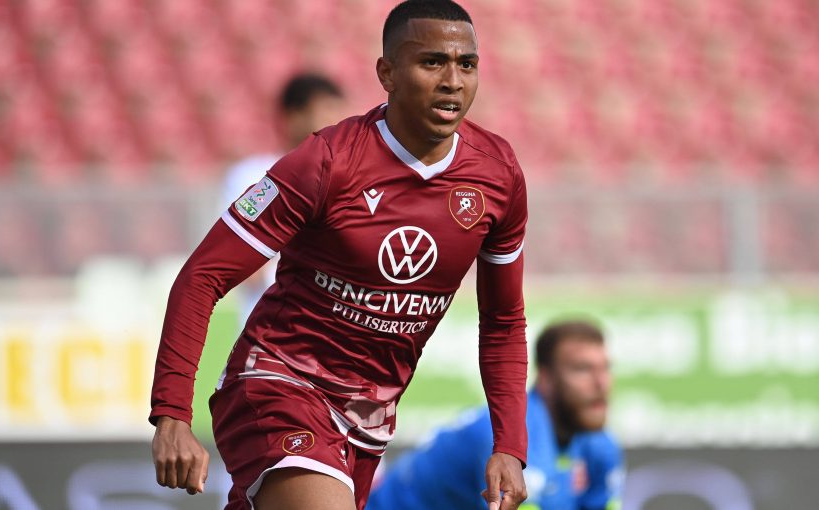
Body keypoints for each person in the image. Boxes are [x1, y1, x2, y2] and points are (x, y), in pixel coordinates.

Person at [149, 1, 529, 509]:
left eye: (467, 64)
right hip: (279, 383)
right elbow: (202, 275)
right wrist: (172, 413)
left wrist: (510, 445)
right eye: (432, 62)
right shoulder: (327, 161)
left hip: (368, 420)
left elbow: (503, 321)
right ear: (387, 73)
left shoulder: (497, 174)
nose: (453, 81)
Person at [367, 320, 625, 510]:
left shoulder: (601, 444)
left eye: (606, 368)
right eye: (582, 369)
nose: (602, 383)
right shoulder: (504, 440)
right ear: (545, 379)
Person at [218, 74, 345, 324]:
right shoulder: (252, 176)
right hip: (267, 329)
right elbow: (238, 266)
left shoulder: (346, 179)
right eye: (325, 113)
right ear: (293, 117)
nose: (336, 125)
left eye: (338, 113)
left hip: (329, 331)